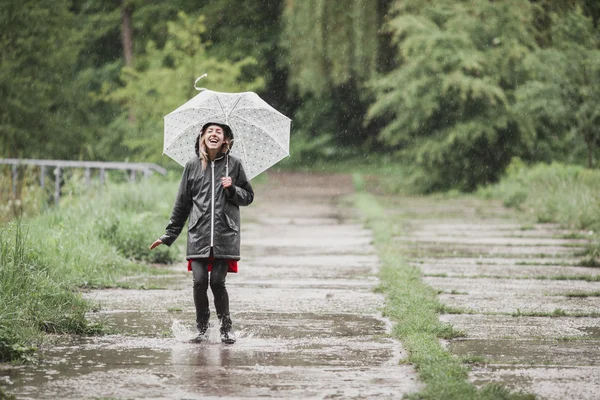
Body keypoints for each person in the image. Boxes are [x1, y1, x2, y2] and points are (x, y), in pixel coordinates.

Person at [150, 122, 254, 344]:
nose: (214, 134)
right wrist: (168, 235)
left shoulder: (234, 165)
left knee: (217, 282)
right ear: (203, 138)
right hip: (198, 234)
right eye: (210, 132)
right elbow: (182, 204)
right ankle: (202, 330)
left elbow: (248, 197)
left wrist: (233, 189)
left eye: (219, 132)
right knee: (199, 282)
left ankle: (226, 330)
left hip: (225, 235)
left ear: (226, 140)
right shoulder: (192, 165)